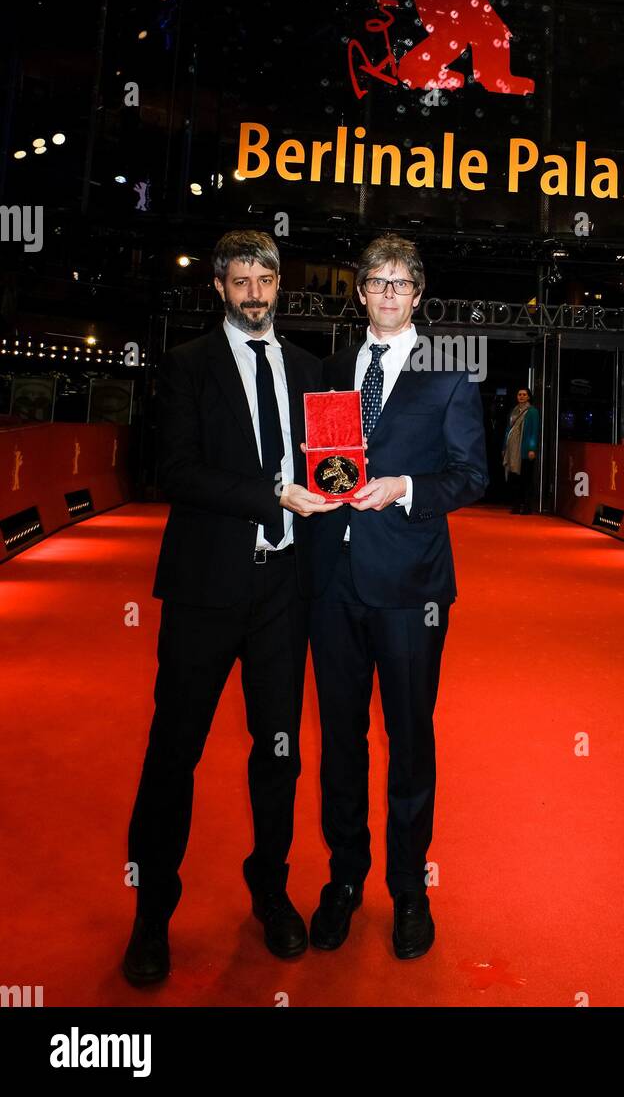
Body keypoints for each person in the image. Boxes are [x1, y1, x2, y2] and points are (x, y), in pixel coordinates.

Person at [122, 230, 342, 986]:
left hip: (284, 593)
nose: (254, 293)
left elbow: (335, 464)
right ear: (218, 287)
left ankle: (271, 888)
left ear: (281, 285)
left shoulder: (312, 369)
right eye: (240, 281)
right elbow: (174, 470)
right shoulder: (187, 366)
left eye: (265, 280)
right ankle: (152, 912)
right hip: (205, 590)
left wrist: (359, 487)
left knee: (278, 751)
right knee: (173, 751)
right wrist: (270, 494)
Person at [305, 234, 488, 959]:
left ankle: (410, 887)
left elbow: (472, 476)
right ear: (360, 293)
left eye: (399, 284)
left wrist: (408, 488)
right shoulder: (329, 367)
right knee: (340, 740)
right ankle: (345, 878)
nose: (387, 293)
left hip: (412, 588)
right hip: (332, 582)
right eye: (375, 282)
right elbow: (321, 463)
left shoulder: (450, 373)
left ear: (418, 295)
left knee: (409, 739)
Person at [502, 386, 540, 513]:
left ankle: (527, 507)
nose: (521, 396)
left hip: (524, 451)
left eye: (524, 394)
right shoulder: (514, 411)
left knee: (526, 479)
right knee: (515, 479)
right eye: (519, 394)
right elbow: (508, 431)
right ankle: (516, 505)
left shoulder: (532, 412)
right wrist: (504, 447)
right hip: (513, 451)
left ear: (528, 397)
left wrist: (532, 449)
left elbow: (534, 431)